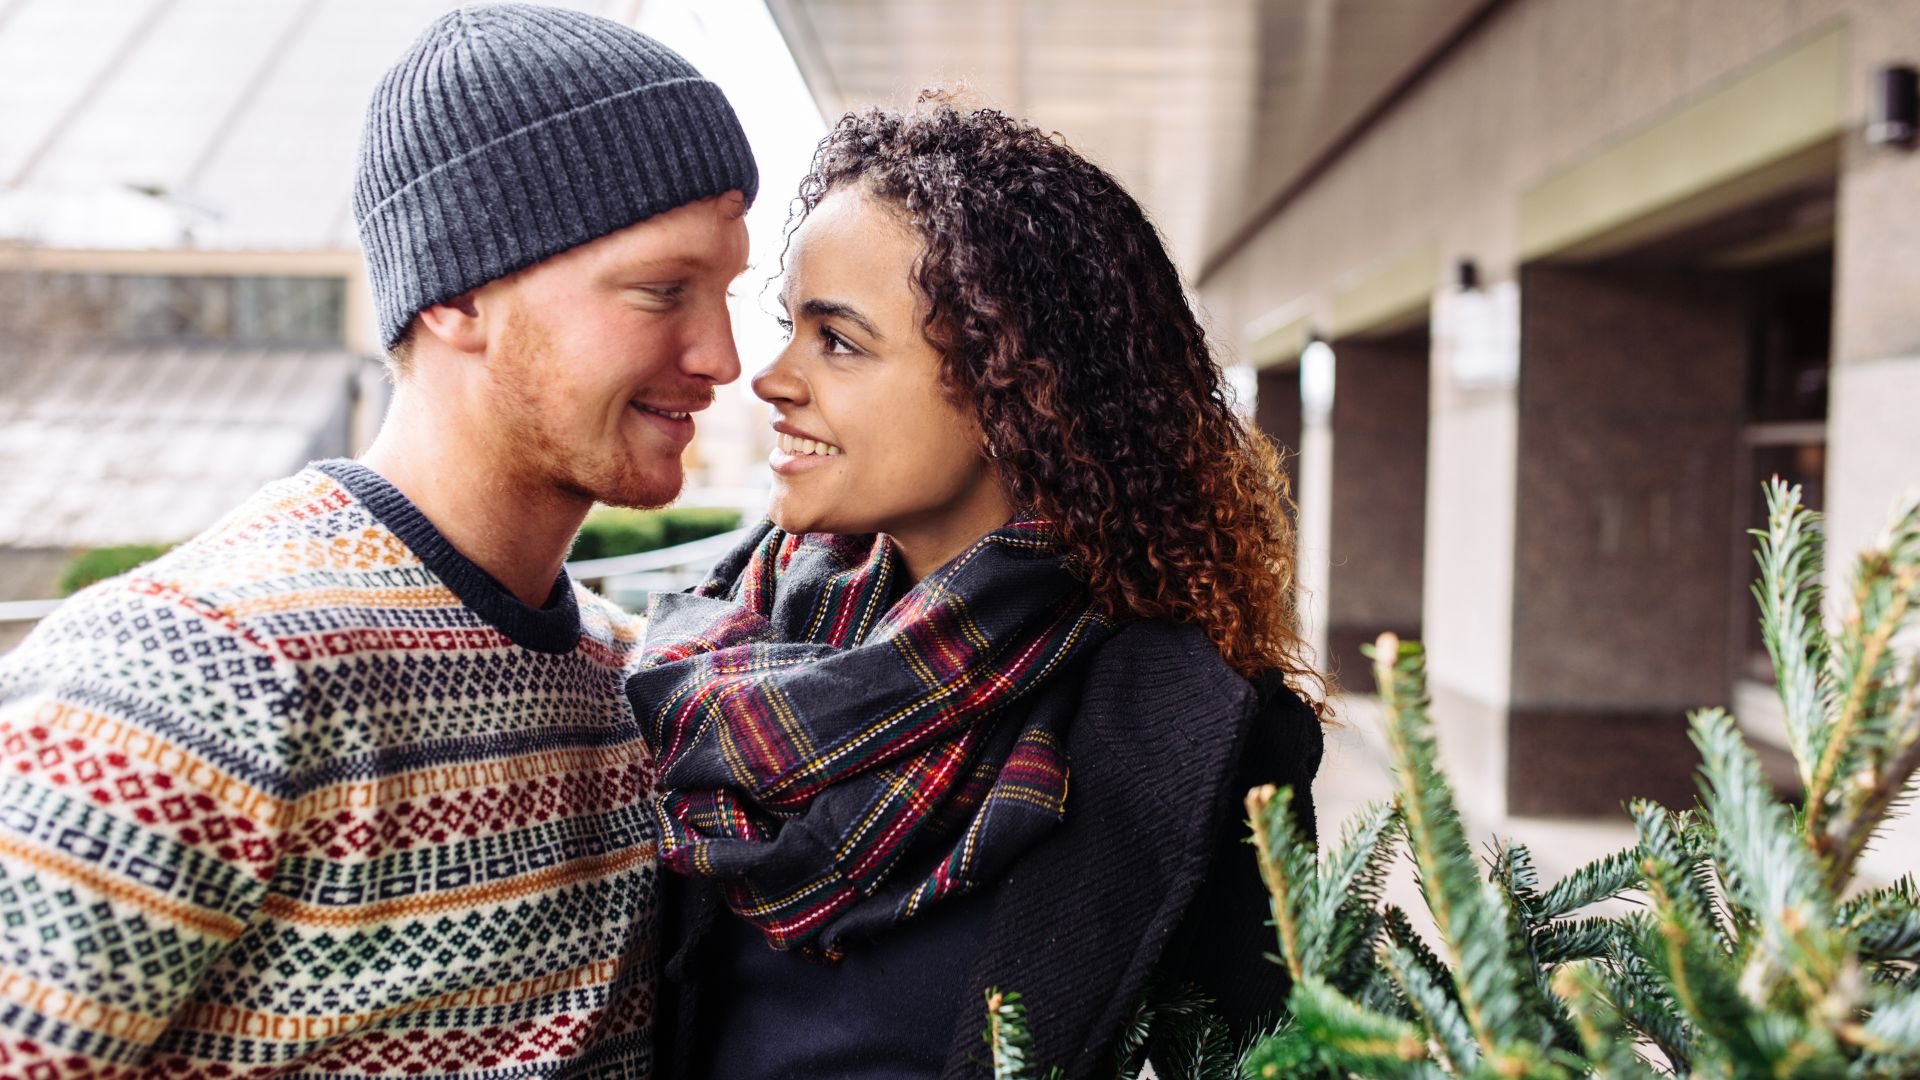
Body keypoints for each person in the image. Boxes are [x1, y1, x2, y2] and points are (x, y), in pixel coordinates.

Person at [0, 5, 754, 1075]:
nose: (722, 356)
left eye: (726, 291)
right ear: (458, 295)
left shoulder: (626, 682)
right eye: (661, 291)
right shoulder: (188, 675)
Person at [631, 98, 1327, 1079]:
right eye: (792, 328)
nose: (770, 378)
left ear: (1016, 384)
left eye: (838, 340)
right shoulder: (717, 652)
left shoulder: (1198, 734)